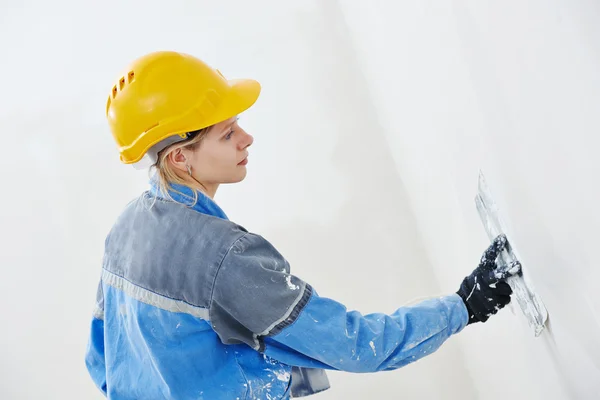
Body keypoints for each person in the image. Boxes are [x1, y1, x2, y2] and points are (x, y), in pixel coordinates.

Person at [85, 51, 521, 400]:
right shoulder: (226, 258)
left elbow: (101, 364)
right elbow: (358, 345)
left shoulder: (125, 231)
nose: (247, 139)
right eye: (227, 132)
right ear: (180, 156)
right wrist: (465, 305)